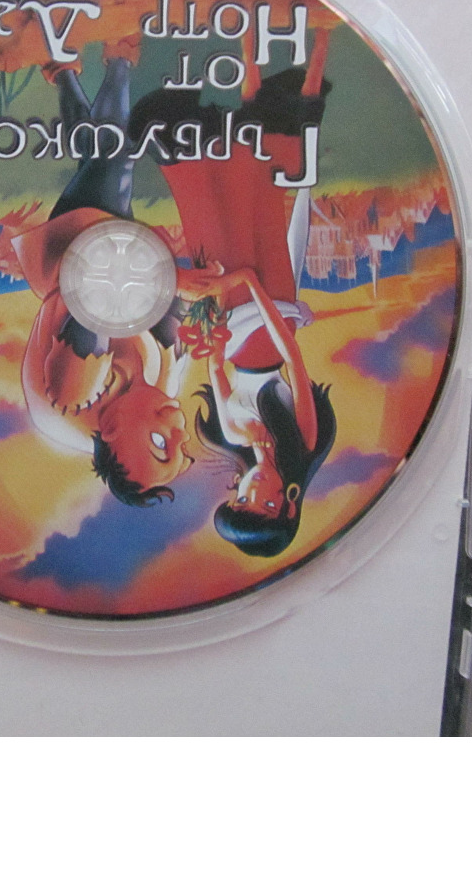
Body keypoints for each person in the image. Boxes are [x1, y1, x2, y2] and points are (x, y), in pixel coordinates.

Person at [130, 30, 338, 554]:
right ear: (288, 505)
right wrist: (248, 283)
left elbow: (215, 367)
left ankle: (190, 123)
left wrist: (205, 316)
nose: (251, 492)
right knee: (258, 206)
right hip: (269, 318)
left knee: (208, 223)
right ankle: (267, 85)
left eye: (240, 500)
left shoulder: (234, 433)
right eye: (263, 505)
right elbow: (293, 358)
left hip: (228, 318)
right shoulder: (304, 441)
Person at [12, 54, 219, 506]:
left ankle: (120, 55)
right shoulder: (158, 387)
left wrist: (171, 280)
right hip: (120, 249)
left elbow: (91, 289)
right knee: (97, 159)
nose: (180, 430)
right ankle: (63, 73)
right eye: (183, 447)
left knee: (113, 156)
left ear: (109, 430)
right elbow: (172, 315)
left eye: (161, 445)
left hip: (71, 251)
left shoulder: (73, 394)